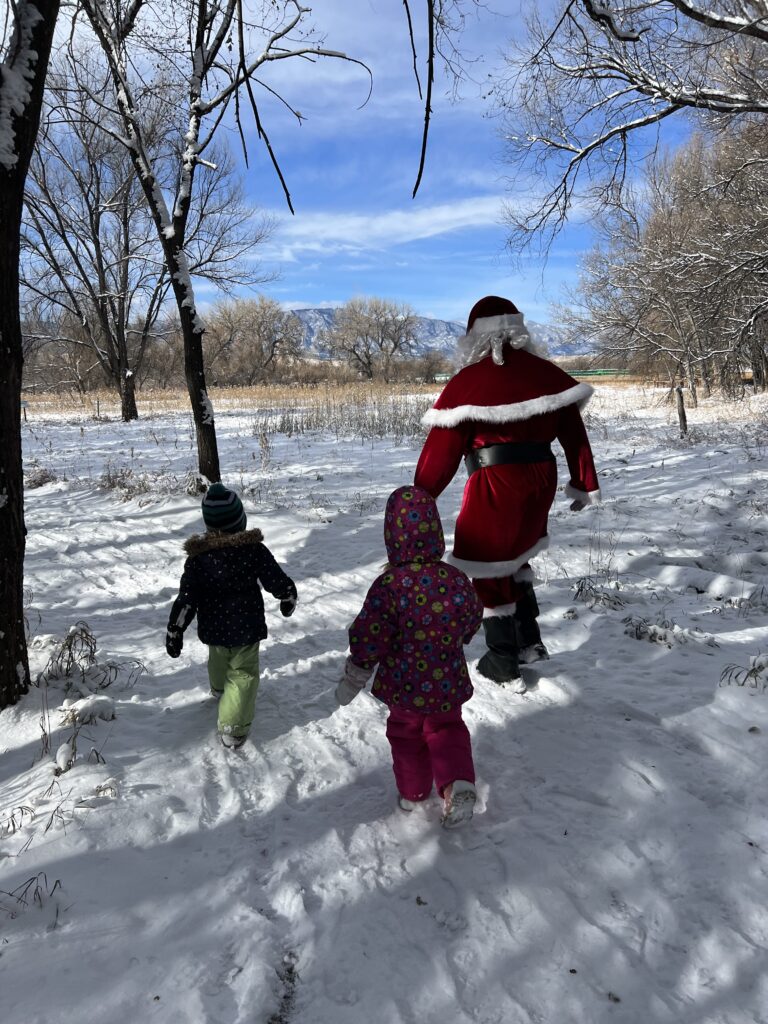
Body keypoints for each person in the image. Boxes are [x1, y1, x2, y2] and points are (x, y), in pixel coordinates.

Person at [414, 295, 600, 689]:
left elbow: (441, 451)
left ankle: (502, 661)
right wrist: (585, 482)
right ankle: (530, 643)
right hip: (540, 480)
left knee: (485, 562)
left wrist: (418, 498)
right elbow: (574, 435)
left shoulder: (470, 382)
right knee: (515, 556)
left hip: (495, 481)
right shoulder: (545, 373)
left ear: (474, 335)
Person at [335, 485, 484, 828]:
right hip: (447, 680)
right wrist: (460, 636)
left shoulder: (389, 585)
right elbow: (472, 613)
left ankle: (414, 792)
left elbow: (369, 636)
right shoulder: (455, 578)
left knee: (407, 736)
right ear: (435, 532)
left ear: (392, 536)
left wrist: (354, 675)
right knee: (447, 728)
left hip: (405, 686)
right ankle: (457, 781)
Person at [165, 482, 297, 749]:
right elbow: (274, 577)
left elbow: (187, 599)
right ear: (240, 520)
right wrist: (287, 594)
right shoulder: (253, 550)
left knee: (219, 656)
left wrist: (175, 628)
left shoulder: (198, 560)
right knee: (243, 675)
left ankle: (218, 688)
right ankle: (233, 728)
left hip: (214, 627)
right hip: (246, 627)